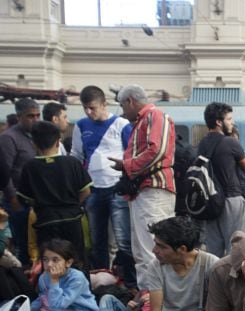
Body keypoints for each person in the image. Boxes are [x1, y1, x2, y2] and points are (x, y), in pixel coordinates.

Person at [109, 85, 176, 292]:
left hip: (152, 190)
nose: (122, 111)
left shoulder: (155, 117)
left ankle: (154, 299)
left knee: (152, 248)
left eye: (122, 105)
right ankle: (147, 295)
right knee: (142, 249)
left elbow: (157, 150)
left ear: (130, 101)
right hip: (143, 191)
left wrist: (127, 165)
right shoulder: (144, 120)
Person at [70, 85, 134, 285]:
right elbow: (76, 157)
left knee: (123, 240)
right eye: (85, 108)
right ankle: (101, 281)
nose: (89, 112)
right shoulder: (81, 126)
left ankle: (130, 282)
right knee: (98, 241)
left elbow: (131, 155)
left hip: (117, 189)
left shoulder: (121, 124)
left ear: (104, 104)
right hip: (93, 190)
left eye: (93, 108)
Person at [17, 121, 92, 262]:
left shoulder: (30, 167)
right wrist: (73, 205)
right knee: (76, 260)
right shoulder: (72, 163)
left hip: (45, 221)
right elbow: (86, 191)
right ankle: (80, 284)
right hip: (72, 220)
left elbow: (25, 198)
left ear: (33, 143)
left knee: (50, 262)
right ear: (58, 142)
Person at [197, 102, 245, 257]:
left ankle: (215, 280)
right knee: (236, 247)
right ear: (219, 122)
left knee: (213, 251)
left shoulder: (202, 144)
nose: (232, 122)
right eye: (229, 119)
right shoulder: (230, 142)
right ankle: (234, 281)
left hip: (210, 202)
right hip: (231, 199)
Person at [0, 98, 40, 266]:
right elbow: (4, 172)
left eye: (38, 115)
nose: (35, 119)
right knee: (23, 246)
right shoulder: (9, 138)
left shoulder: (37, 135)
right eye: (31, 116)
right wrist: (13, 199)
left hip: (36, 200)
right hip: (18, 201)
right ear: (19, 116)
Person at [31, 238, 97, 311]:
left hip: (80, 310)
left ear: (68, 262)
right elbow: (43, 298)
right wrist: (30, 309)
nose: (49, 264)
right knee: (27, 308)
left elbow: (58, 305)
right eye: (45, 259)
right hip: (54, 308)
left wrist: (54, 280)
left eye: (55, 260)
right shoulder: (44, 277)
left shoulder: (77, 277)